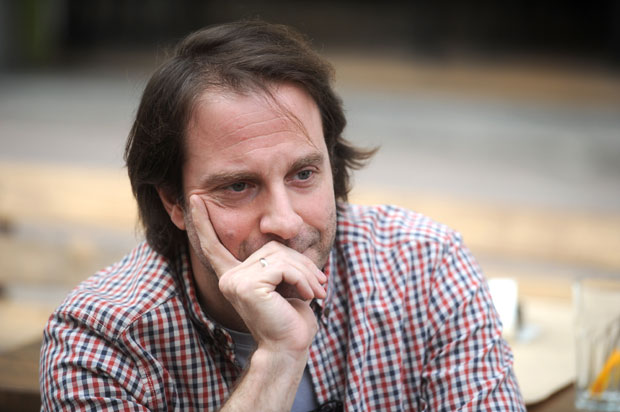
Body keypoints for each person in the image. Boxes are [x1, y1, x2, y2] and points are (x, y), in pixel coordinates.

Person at [40, 20, 525, 411]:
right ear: (174, 202)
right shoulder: (100, 338)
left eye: (303, 174)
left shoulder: (423, 266)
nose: (286, 222)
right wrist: (277, 360)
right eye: (238, 186)